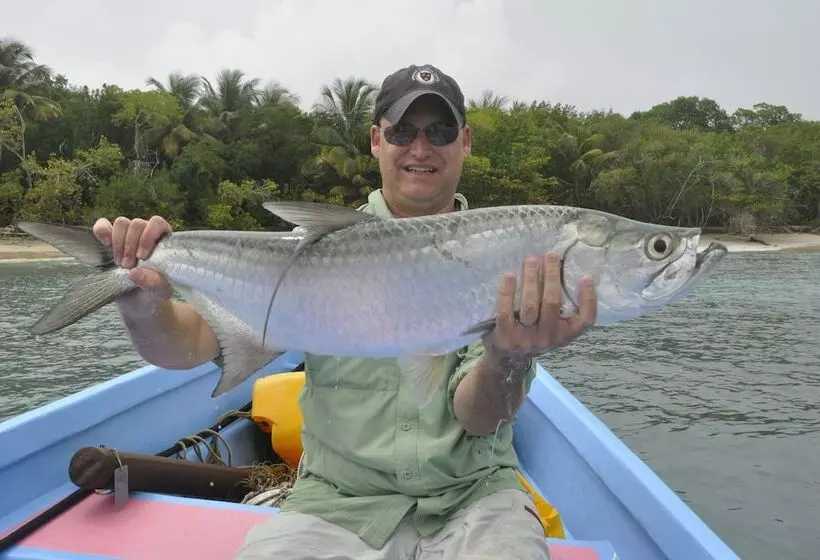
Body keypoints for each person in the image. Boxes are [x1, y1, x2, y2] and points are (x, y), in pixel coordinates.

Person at [93, 64, 598, 560]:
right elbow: (184, 348)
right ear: (377, 140)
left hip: (475, 499)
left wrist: (507, 357)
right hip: (335, 501)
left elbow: (478, 417)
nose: (420, 148)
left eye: (439, 131)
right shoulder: (318, 245)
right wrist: (143, 307)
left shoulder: (515, 255)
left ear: (464, 141)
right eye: (403, 131)